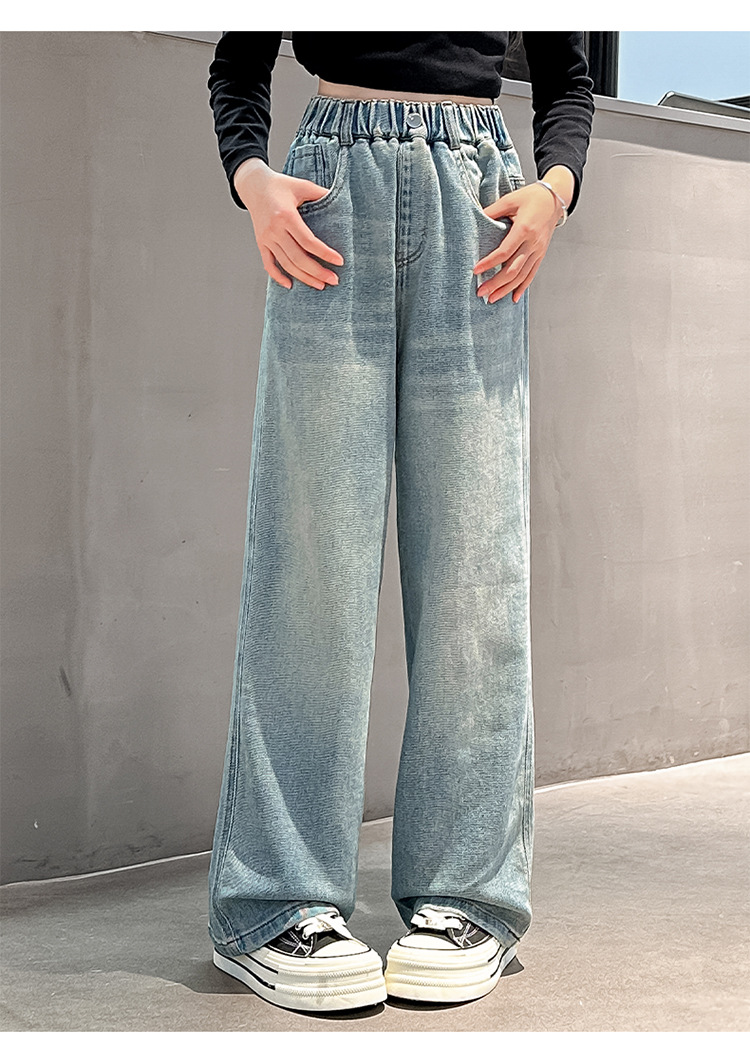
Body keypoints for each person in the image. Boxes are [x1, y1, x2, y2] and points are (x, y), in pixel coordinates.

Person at [205, 31, 595, 1014]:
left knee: (475, 569)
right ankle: (277, 899)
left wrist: (553, 193)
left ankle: (467, 894)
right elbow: (237, 66)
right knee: (312, 566)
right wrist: (253, 181)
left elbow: (568, 79)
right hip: (330, 191)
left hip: (480, 202)